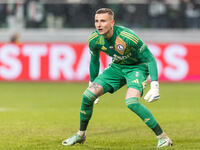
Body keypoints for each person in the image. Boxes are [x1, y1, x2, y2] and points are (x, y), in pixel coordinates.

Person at [62, 8, 173, 148]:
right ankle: (80, 134)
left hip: (137, 68)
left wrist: (155, 85)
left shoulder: (127, 37)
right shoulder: (94, 39)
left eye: (103, 21)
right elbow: (94, 61)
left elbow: (150, 58)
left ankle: (163, 137)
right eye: (96, 21)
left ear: (112, 22)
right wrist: (92, 83)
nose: (98, 25)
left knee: (131, 102)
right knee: (87, 96)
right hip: (117, 67)